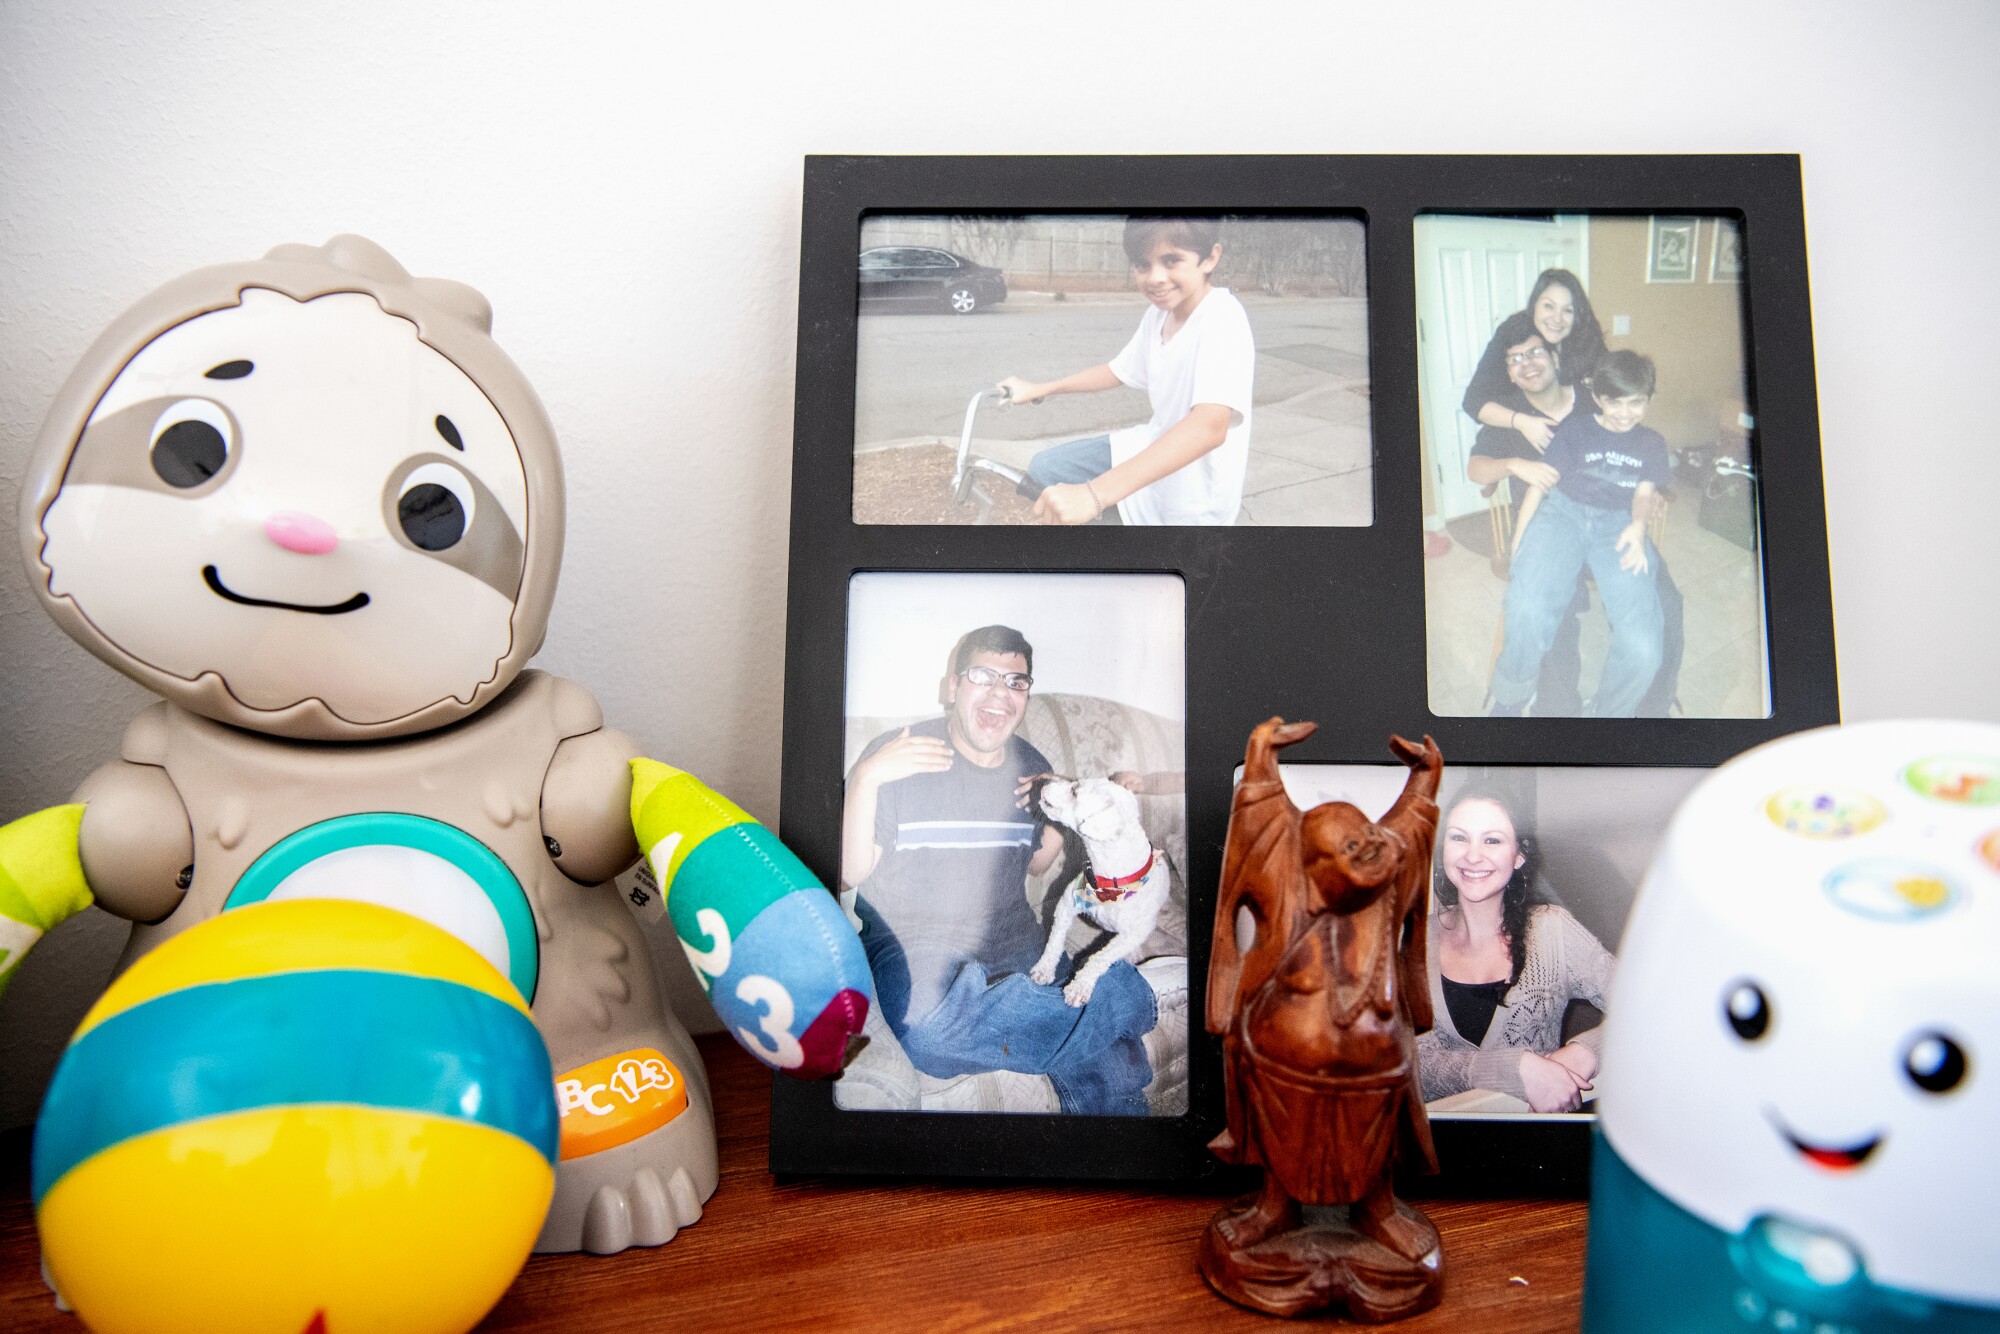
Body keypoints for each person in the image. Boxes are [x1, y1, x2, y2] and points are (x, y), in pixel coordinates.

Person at [840, 624, 1159, 1115]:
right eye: (982, 676)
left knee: (1110, 1073)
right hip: (915, 939)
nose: (999, 694)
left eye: (1015, 682)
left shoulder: (1032, 766)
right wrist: (865, 778)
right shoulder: (898, 753)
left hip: (1014, 938)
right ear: (952, 687)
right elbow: (849, 873)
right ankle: (1126, 997)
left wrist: (1061, 808)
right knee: (924, 1032)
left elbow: (1036, 867)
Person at [1469, 316, 1685, 717]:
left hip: (1617, 526)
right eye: (1516, 359)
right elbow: (1536, 485)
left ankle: (1608, 717)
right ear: (1598, 397)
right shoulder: (1567, 428)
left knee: (1645, 642)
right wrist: (1519, 542)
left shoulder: (1649, 441)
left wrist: (1639, 530)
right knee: (1528, 607)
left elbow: (1643, 493)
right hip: (1562, 516)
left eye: (1636, 402)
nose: (1625, 413)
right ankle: (1513, 696)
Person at [997, 217, 1255, 526]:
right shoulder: (1159, 316)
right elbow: (1117, 371)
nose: (1155, 278)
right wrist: (1041, 388)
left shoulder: (1222, 317)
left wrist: (1093, 495)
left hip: (1193, 495)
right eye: (1142, 265)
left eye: (1171, 260)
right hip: (1152, 442)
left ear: (1210, 258)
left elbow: (1208, 427)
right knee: (1046, 467)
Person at [1417, 793, 1616, 1113]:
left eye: (1492, 840)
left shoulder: (1554, 931)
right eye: (1458, 837)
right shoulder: (1410, 940)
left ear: (1519, 855)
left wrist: (1586, 1052)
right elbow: (1406, 1063)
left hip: (1538, 1148)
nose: (1473, 855)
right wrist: (1517, 1068)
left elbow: (1650, 1009)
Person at [1460, 268, 1608, 452]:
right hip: (1525, 431)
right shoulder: (1513, 332)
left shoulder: (1587, 337)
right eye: (1549, 306)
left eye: (1568, 310)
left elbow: (1612, 389)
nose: (1557, 319)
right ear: (1534, 304)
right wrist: (1522, 422)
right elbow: (1473, 401)